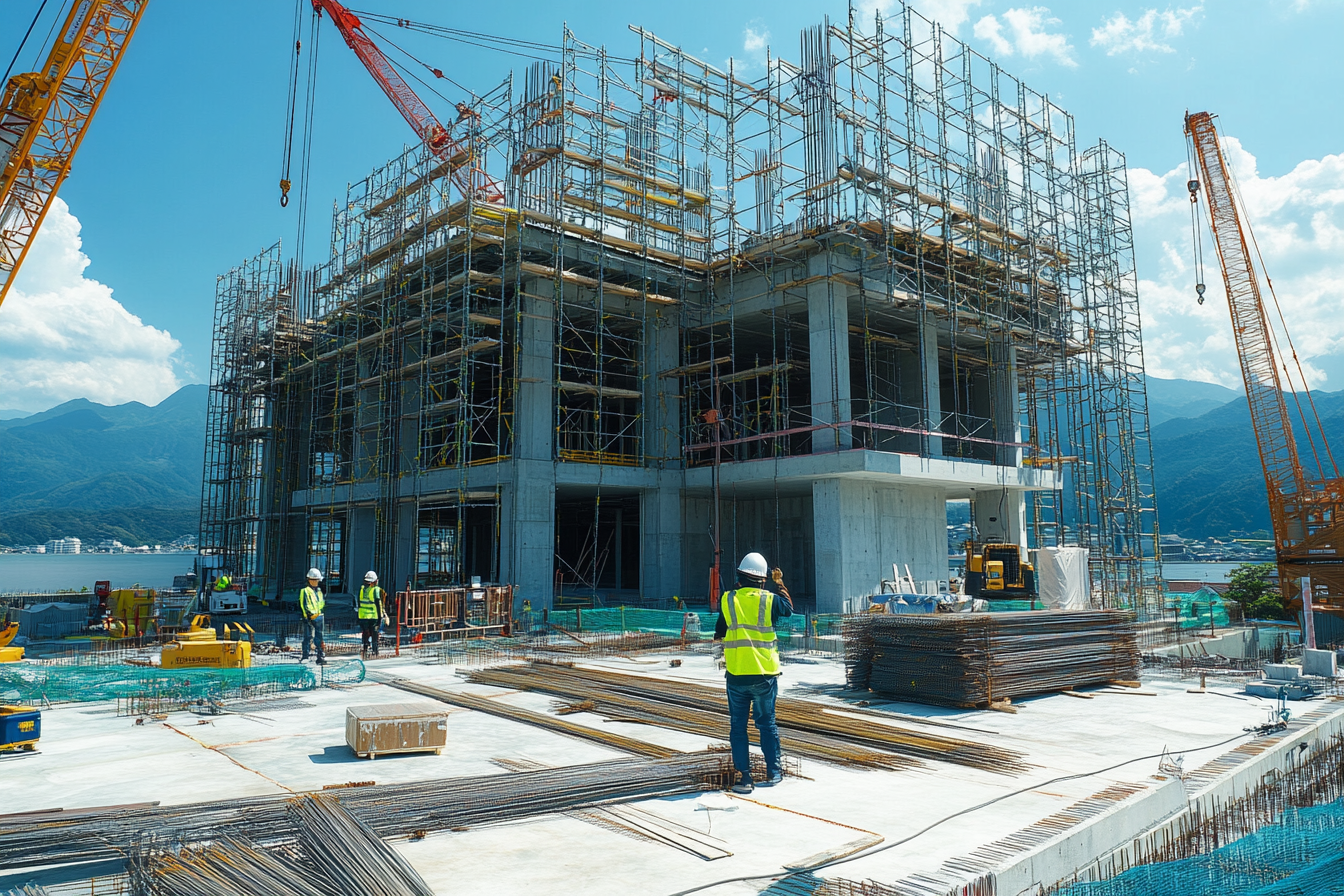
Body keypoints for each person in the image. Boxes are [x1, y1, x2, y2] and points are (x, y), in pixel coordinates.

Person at [712, 551, 793, 794]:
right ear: (762, 579)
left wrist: (720, 658)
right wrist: (780, 583)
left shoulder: (728, 600)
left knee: (738, 727)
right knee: (766, 724)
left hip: (736, 675)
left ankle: (744, 778)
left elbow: (718, 633)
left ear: (739, 576)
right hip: (765, 676)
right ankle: (773, 772)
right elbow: (788, 609)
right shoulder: (769, 600)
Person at [299, 568, 327, 665]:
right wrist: (306, 616)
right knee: (307, 637)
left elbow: (321, 603)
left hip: (319, 617)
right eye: (316, 580)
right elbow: (303, 605)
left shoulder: (319, 591)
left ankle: (320, 656)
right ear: (310, 580)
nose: (318, 582)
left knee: (319, 637)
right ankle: (305, 656)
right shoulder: (305, 591)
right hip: (309, 617)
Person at [356, 571, 387, 657]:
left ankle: (365, 649)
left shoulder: (361, 589)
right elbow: (377, 604)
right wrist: (380, 617)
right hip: (373, 616)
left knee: (365, 633)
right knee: (374, 634)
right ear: (375, 581)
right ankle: (375, 651)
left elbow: (359, 603)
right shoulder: (375, 590)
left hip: (362, 616)